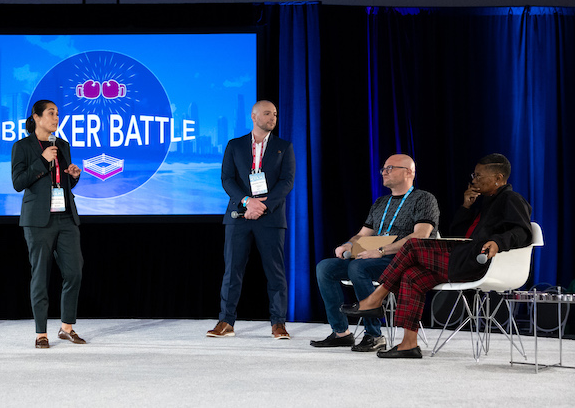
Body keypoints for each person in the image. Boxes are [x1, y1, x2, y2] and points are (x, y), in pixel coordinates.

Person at [341, 153, 533, 359]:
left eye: (478, 176)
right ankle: (408, 344)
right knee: (412, 276)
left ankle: (375, 299)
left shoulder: (511, 199)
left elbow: (523, 232)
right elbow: (459, 234)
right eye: (474, 175)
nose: (474, 180)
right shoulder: (486, 202)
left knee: (413, 245)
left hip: (478, 263)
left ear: (498, 178)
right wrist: (466, 207)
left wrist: (498, 242)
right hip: (461, 258)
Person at [311, 154, 440, 352]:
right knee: (325, 267)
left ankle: (374, 335)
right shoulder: (381, 202)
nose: (384, 172)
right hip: (375, 258)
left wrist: (381, 251)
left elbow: (420, 235)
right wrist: (348, 245)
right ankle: (341, 333)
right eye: (384, 169)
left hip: (405, 260)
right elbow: (363, 234)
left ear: (408, 172)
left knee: (359, 267)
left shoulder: (423, 199)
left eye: (390, 168)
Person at [207, 100, 296, 340]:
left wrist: (262, 205)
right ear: (254, 116)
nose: (272, 117)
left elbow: (287, 181)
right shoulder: (234, 145)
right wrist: (248, 201)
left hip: (271, 217)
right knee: (232, 271)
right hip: (239, 216)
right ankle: (226, 321)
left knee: (275, 272)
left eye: (275, 114)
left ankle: (278, 323)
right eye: (267, 113)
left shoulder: (284, 147)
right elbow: (227, 179)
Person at [11, 99, 84, 349]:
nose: (56, 118)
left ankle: (66, 328)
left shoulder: (62, 145)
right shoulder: (22, 147)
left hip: (65, 216)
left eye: (57, 114)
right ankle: (41, 333)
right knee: (40, 275)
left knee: (74, 272)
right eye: (51, 113)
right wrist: (42, 160)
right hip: (38, 220)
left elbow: (62, 183)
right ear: (37, 117)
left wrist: (73, 177)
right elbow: (18, 182)